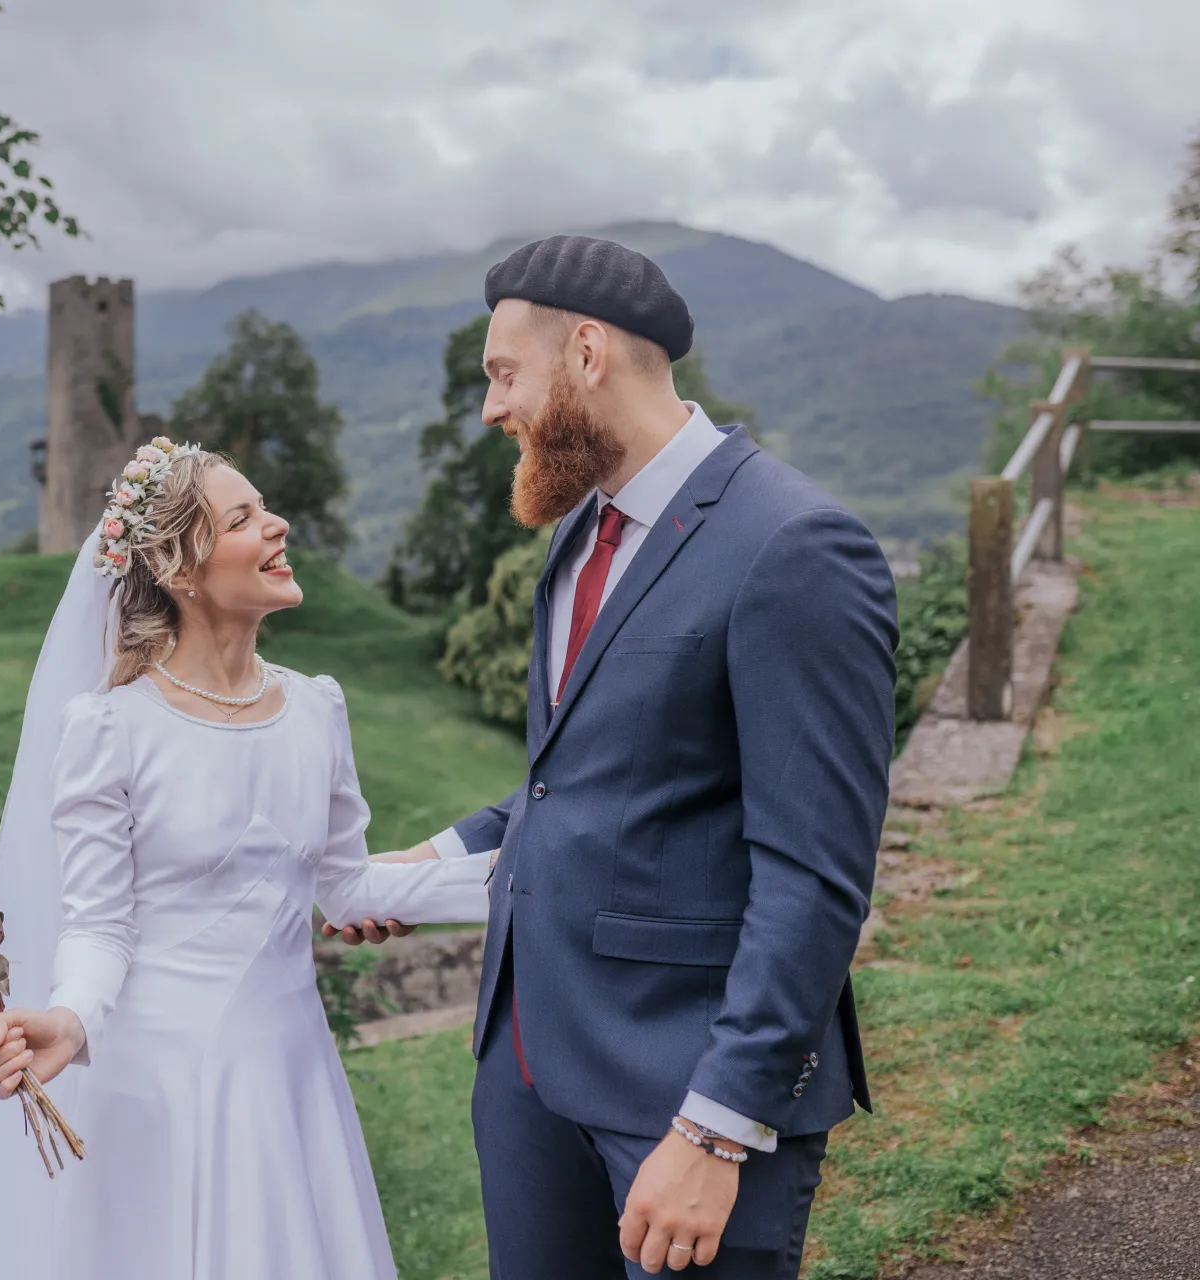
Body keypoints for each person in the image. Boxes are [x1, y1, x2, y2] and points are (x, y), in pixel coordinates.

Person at [333, 235, 896, 1278]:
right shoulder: (581, 530)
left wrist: (718, 1126)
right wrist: (431, 859)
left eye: (504, 374)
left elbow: (817, 877)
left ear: (586, 351)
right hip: (528, 1071)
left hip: (683, 1086)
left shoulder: (797, 546)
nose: (492, 409)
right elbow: (585, 775)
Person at [0, 439, 491, 1280]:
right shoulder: (112, 731)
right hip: (158, 1093)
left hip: (290, 1080)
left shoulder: (316, 710)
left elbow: (347, 885)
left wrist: (520, 875)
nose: (278, 525)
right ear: (179, 568)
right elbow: (101, 925)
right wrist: (70, 1021)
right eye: (244, 518)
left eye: (267, 507)